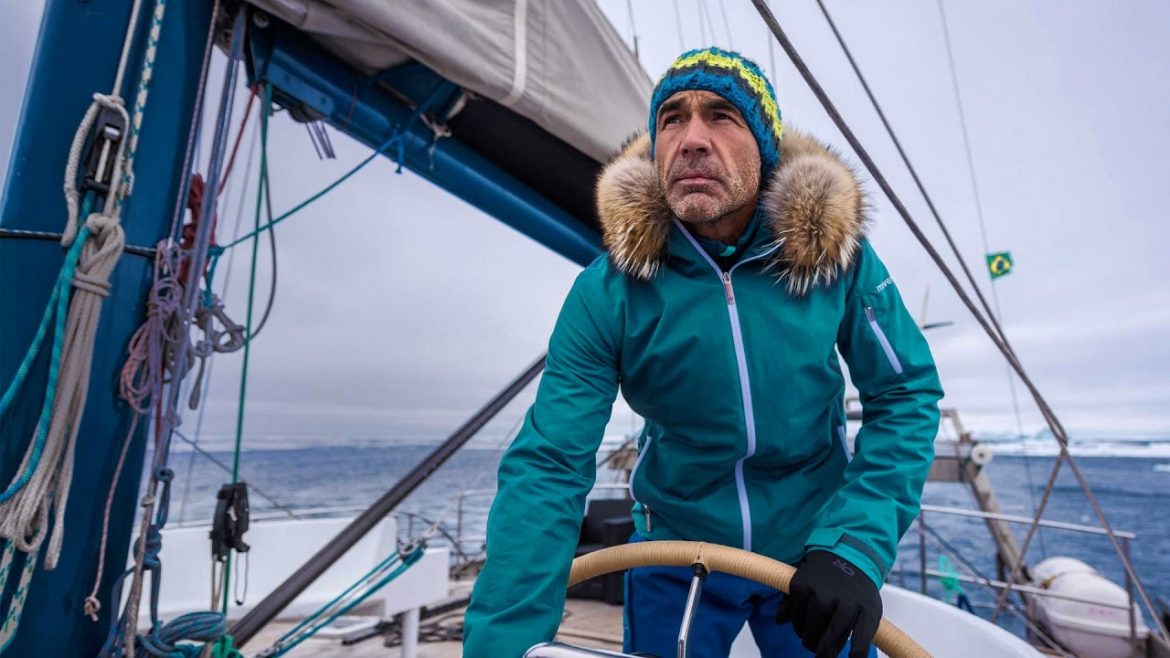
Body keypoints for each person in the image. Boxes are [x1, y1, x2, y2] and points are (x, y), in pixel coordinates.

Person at [463, 47, 943, 658]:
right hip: (674, 550)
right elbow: (550, 463)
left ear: (765, 145)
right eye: (672, 119)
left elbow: (904, 393)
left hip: (813, 552)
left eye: (721, 115)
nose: (691, 139)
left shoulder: (837, 258)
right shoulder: (608, 291)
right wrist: (502, 647)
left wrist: (854, 545)